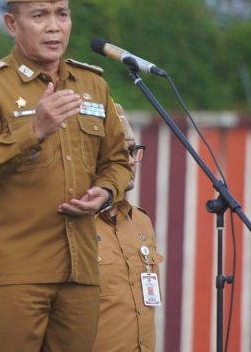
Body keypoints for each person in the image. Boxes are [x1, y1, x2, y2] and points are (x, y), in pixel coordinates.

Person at [0, 0, 133, 352]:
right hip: (13, 271)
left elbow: (118, 161)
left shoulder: (92, 84)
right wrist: (33, 130)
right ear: (11, 24)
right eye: (39, 15)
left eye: (62, 14)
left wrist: (106, 192)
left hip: (80, 271)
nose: (54, 26)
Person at [93, 104, 164, 352]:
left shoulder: (140, 221)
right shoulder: (71, 223)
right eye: (122, 152)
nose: (132, 161)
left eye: (134, 151)